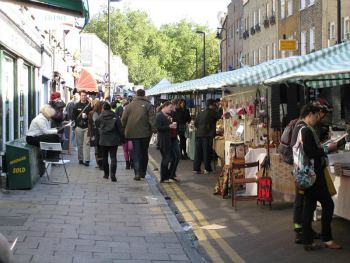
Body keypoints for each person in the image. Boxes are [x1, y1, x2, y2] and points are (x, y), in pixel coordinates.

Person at [291, 103, 340, 251]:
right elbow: (311, 152)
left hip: (303, 174)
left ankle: (308, 240)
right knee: (328, 204)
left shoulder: (298, 128)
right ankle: (327, 238)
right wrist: (327, 148)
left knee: (309, 206)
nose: (317, 119)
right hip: (312, 175)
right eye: (316, 115)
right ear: (310, 114)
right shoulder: (305, 130)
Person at [121, 89, 155, 181]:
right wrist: (154, 130)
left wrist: (123, 129)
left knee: (136, 152)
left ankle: (137, 173)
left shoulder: (129, 106)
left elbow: (123, 119)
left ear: (136, 94)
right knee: (144, 152)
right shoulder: (148, 105)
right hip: (145, 133)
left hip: (133, 133)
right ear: (144, 95)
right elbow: (152, 120)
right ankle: (143, 173)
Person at [96, 102, 124, 182]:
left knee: (105, 157)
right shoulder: (115, 116)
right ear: (110, 108)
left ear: (103, 108)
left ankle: (106, 174)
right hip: (113, 140)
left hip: (103, 139)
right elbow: (120, 128)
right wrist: (122, 139)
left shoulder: (100, 116)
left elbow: (97, 124)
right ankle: (113, 175)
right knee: (113, 157)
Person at [193, 99, 220, 174]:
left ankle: (196, 168)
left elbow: (195, 124)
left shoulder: (200, 113)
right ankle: (207, 169)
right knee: (206, 152)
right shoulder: (213, 112)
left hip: (199, 134)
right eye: (214, 105)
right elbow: (220, 116)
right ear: (211, 105)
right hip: (207, 134)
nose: (215, 106)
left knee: (198, 152)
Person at [155, 101, 181, 183]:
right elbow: (158, 128)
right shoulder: (159, 116)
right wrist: (169, 126)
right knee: (167, 158)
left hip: (173, 139)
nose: (172, 109)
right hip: (165, 140)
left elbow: (177, 120)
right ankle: (164, 177)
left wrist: (174, 125)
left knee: (177, 156)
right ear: (165, 107)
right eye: (170, 107)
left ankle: (172, 174)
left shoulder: (171, 114)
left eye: (172, 107)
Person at [73, 90, 92, 166]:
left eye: (85, 95)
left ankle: (87, 160)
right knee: (79, 144)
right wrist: (76, 125)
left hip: (87, 127)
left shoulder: (90, 105)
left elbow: (93, 115)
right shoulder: (76, 106)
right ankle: (80, 159)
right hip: (79, 127)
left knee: (87, 143)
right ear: (80, 96)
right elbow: (73, 116)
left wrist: (88, 117)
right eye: (82, 95)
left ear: (86, 96)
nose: (83, 97)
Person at [88, 99, 103, 169]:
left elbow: (90, 124)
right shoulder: (103, 113)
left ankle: (98, 163)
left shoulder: (91, 113)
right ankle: (101, 162)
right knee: (102, 148)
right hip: (102, 133)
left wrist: (90, 134)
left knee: (96, 148)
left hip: (94, 132)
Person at [121, 99, 133, 169]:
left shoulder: (133, 114)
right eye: (125, 106)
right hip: (124, 134)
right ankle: (127, 163)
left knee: (131, 149)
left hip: (131, 134)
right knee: (125, 150)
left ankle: (132, 161)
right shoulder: (120, 113)